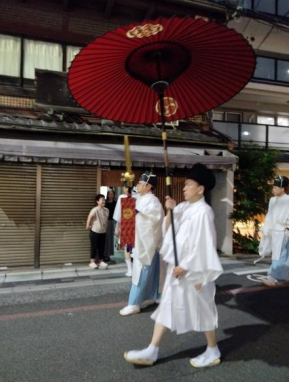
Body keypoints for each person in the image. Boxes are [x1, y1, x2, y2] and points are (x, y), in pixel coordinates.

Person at [124, 163, 223, 368]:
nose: (184, 188)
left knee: (203, 309)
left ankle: (213, 349)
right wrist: (170, 210)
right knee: (168, 305)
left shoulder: (204, 212)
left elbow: (204, 245)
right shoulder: (185, 207)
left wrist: (185, 266)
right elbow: (169, 228)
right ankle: (152, 349)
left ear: (200, 189)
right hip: (178, 271)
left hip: (194, 271)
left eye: (188, 184)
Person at [119, 171, 164, 316]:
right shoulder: (140, 199)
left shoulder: (153, 201)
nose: (137, 185)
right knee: (150, 272)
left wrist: (138, 213)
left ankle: (134, 304)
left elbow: (154, 220)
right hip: (141, 241)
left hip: (148, 243)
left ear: (149, 186)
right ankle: (158, 296)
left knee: (142, 273)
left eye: (140, 182)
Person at [259, 175, 289, 286]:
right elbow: (269, 215)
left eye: (276, 187)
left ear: (283, 188)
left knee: (279, 255)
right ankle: (283, 275)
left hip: (284, 231)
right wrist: (266, 227)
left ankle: (273, 277)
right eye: (274, 187)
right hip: (273, 230)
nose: (273, 189)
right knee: (282, 255)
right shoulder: (272, 200)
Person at [113, 182, 136, 277]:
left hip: (126, 225)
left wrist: (117, 227)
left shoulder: (122, 197)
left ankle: (130, 270)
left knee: (127, 247)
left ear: (125, 188)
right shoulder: (137, 196)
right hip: (135, 225)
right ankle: (134, 269)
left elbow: (119, 213)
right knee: (134, 247)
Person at [86, 194, 109, 269]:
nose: (104, 201)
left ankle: (101, 261)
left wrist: (106, 226)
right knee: (94, 247)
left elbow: (106, 219)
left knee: (102, 247)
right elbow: (89, 217)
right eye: (102, 199)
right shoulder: (95, 210)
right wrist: (87, 226)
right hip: (95, 231)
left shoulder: (106, 210)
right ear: (97, 201)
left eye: (104, 199)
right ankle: (92, 262)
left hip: (103, 232)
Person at [104, 189, 117, 263]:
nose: (111, 195)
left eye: (112, 194)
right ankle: (104, 255)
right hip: (105, 221)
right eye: (109, 194)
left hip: (112, 221)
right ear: (107, 194)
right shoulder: (105, 202)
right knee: (105, 239)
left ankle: (108, 255)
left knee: (110, 239)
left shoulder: (116, 203)